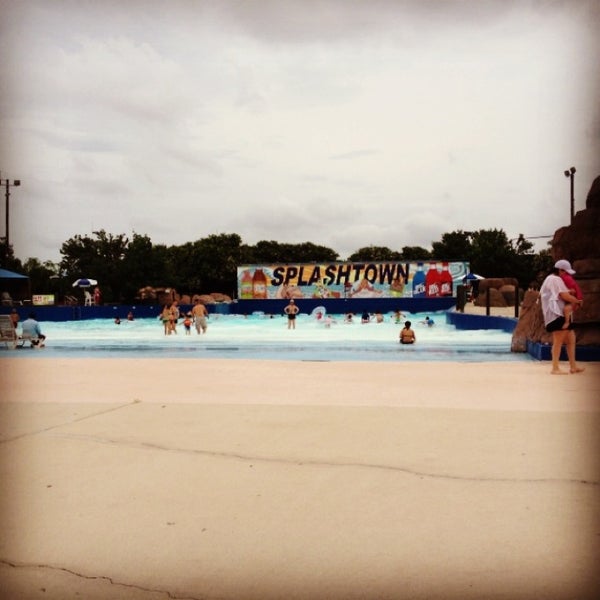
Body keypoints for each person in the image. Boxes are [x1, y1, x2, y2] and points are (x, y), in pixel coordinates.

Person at [539, 261, 584, 375]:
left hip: (560, 315)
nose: (567, 275)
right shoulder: (555, 279)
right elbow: (564, 295)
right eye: (565, 272)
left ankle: (573, 366)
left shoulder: (551, 279)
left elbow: (562, 292)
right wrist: (577, 301)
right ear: (560, 270)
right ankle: (555, 368)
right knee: (558, 341)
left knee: (571, 339)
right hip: (556, 315)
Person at [555, 259, 583, 329]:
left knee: (566, 309)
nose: (558, 272)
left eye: (560, 270)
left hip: (576, 300)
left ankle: (567, 322)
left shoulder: (566, 278)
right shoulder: (563, 278)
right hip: (572, 299)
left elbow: (573, 291)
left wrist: (575, 301)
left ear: (563, 270)